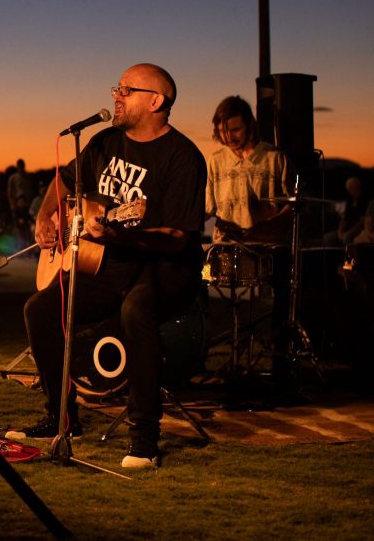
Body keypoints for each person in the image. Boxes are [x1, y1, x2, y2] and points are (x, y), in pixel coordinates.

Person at [17, 63, 206, 469]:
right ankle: (62, 419)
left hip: (166, 267)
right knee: (41, 310)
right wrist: (45, 216)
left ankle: (145, 439)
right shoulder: (104, 142)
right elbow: (64, 182)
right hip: (110, 263)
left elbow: (176, 238)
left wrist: (121, 235)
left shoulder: (183, 157)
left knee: (136, 310)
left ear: (155, 101)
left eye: (126, 89)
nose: (115, 96)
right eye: (116, 88)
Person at [205, 95, 293, 384]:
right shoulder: (215, 162)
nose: (228, 137)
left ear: (250, 125)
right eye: (223, 131)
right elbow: (206, 208)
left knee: (285, 291)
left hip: (267, 246)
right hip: (228, 247)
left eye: (235, 130)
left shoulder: (274, 157)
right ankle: (195, 356)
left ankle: (281, 362)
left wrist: (267, 225)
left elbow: (290, 206)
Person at [7, 158, 35, 245]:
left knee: (26, 226)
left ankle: (26, 244)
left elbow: (31, 190)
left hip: (26, 205)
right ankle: (19, 244)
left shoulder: (28, 177)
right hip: (17, 204)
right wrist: (12, 204)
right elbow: (10, 192)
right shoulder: (13, 178)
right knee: (18, 226)